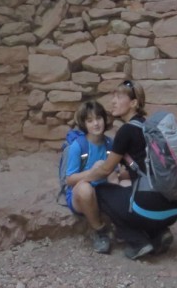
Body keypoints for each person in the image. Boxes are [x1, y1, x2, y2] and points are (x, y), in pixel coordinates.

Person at [78, 80, 177, 260]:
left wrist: (83, 181)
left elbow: (105, 170)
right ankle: (159, 233)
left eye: (119, 97)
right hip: (173, 209)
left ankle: (138, 241)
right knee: (129, 193)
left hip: (152, 207)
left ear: (133, 103)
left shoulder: (126, 131)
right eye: (113, 97)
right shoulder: (149, 127)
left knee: (100, 191)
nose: (113, 102)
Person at [63, 100, 117, 254]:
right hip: (81, 194)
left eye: (98, 118)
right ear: (84, 124)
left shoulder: (109, 144)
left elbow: (117, 171)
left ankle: (126, 226)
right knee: (85, 189)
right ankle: (99, 230)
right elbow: (70, 179)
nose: (96, 124)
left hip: (103, 190)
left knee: (126, 183)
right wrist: (94, 172)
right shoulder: (78, 146)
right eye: (90, 120)